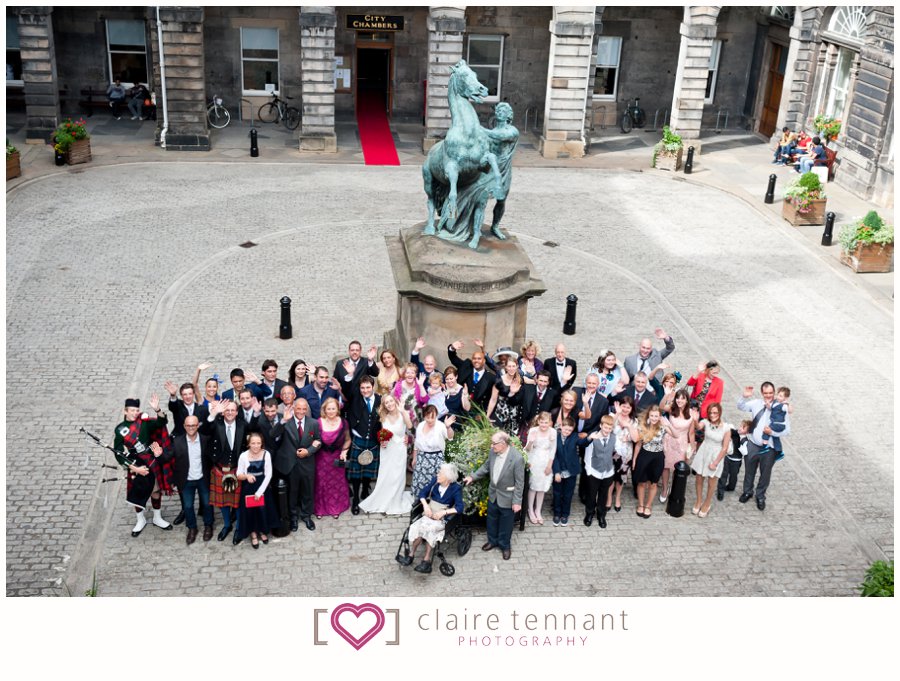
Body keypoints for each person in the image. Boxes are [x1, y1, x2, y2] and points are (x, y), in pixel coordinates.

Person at [113, 395, 174, 537]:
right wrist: (133, 468)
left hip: (150, 459)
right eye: (132, 410)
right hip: (135, 462)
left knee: (156, 490)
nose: (135, 413)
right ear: (125, 411)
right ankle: (140, 520)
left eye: (137, 410)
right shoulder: (120, 430)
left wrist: (157, 409)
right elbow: (118, 453)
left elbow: (162, 422)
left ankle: (157, 518)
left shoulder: (144, 421)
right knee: (137, 492)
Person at [464, 431, 525, 561]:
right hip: (494, 493)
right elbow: (486, 467)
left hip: (508, 497)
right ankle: (492, 541)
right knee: (491, 520)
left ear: (503, 444)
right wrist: (472, 477)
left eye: (494, 443)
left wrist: (517, 501)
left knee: (506, 524)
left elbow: (520, 483)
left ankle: (504, 545)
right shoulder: (493, 452)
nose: (492, 446)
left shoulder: (517, 458)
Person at [399, 463, 464, 574]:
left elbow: (459, 507)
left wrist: (444, 512)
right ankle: (411, 554)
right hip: (429, 512)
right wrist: (425, 505)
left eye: (440, 473)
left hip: (441, 516)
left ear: (448, 478)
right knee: (419, 527)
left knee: (431, 530)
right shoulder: (435, 481)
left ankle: (426, 559)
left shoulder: (455, 488)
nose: (437, 474)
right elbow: (422, 493)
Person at [737, 382, 789, 511]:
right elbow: (741, 406)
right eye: (766, 393)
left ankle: (760, 495)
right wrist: (744, 396)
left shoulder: (781, 408)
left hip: (769, 447)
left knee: (765, 473)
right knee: (749, 470)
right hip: (753, 444)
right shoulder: (756, 404)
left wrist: (771, 432)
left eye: (771, 393)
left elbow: (786, 430)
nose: (768, 396)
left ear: (774, 393)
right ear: (762, 393)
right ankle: (748, 491)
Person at [359, 393, 413, 515]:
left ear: (395, 401)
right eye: (386, 403)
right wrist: (381, 441)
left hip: (399, 449)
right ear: (384, 405)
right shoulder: (383, 417)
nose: (389, 404)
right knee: (386, 475)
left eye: (390, 401)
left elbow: (410, 426)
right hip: (387, 450)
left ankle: (395, 500)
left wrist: (403, 411)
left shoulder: (402, 414)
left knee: (398, 476)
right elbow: (379, 433)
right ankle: (384, 498)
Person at [201, 399, 247, 542]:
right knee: (223, 502)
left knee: (237, 502)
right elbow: (204, 430)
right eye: (227, 410)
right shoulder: (216, 424)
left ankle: (239, 528)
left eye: (233, 410)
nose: (230, 413)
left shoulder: (242, 425)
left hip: (236, 469)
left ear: (237, 412)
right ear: (223, 412)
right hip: (219, 469)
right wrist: (213, 413)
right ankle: (227, 525)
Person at [272, 397, 320, 531]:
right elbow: (272, 435)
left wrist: (309, 451)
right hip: (291, 464)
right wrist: (283, 421)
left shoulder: (313, 423)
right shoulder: (286, 421)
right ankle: (293, 517)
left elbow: (318, 440)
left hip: (307, 463)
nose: (301, 411)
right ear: (294, 408)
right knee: (292, 492)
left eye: (304, 409)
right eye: (298, 408)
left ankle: (306, 516)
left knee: (307, 491)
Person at [167, 415, 214, 544]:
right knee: (187, 506)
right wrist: (159, 455)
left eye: (193, 425)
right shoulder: (177, 442)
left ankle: (208, 526)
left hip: (202, 478)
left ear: (198, 425)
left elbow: (211, 459)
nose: (191, 428)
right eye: (188, 425)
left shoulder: (205, 440)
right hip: (186, 480)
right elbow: (168, 459)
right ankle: (192, 528)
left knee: (207, 504)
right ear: (184, 426)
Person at [235, 432, 280, 548]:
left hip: (263, 487)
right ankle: (253, 533)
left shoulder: (266, 454)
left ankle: (262, 530)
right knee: (250, 512)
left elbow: (269, 474)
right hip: (248, 488)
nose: (256, 446)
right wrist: (247, 476)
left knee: (262, 510)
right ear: (249, 444)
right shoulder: (243, 456)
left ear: (262, 444)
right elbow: (238, 474)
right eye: (253, 443)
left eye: (258, 443)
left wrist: (260, 492)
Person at [345, 375, 382, 513]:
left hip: (373, 440)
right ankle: (355, 500)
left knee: (368, 469)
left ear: (373, 387)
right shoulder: (355, 398)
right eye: (362, 388)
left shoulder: (380, 400)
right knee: (356, 473)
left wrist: (383, 438)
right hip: (358, 439)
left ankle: (365, 491)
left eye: (368, 387)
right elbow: (348, 388)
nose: (365, 390)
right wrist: (350, 375)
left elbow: (385, 421)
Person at [690, 402, 732, 517]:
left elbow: (725, 448)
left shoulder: (726, 428)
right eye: (710, 413)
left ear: (719, 413)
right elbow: (698, 427)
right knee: (699, 478)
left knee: (711, 482)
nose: (713, 415)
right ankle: (698, 501)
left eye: (715, 413)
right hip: (704, 451)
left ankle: (707, 503)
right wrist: (694, 419)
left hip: (716, 455)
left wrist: (715, 463)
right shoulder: (706, 422)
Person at [632, 404, 672, 519]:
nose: (654, 418)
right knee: (642, 482)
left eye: (656, 416)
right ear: (648, 415)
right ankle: (640, 504)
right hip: (644, 456)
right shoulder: (643, 426)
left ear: (660, 416)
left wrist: (668, 425)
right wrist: (634, 459)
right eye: (652, 416)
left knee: (653, 483)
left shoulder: (663, 427)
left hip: (658, 457)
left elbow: (675, 435)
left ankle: (648, 505)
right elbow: (638, 444)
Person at [315, 397, 351, 519]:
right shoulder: (318, 422)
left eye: (333, 409)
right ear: (324, 410)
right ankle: (320, 508)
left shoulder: (343, 423)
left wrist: (344, 452)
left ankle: (336, 507)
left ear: (337, 409)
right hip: (321, 458)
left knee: (336, 483)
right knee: (321, 483)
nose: (331, 411)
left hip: (337, 458)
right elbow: (312, 438)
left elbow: (347, 440)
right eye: (328, 409)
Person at [659, 388, 695, 502]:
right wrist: (666, 395)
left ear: (687, 400)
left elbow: (691, 433)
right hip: (669, 441)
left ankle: (675, 489)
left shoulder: (691, 414)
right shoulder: (672, 409)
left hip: (682, 443)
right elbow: (660, 407)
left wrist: (692, 448)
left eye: (682, 399)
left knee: (677, 468)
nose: (679, 400)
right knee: (665, 467)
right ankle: (665, 489)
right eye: (678, 398)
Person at [411, 405, 455, 497]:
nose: (430, 420)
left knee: (434, 483)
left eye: (433, 417)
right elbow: (416, 443)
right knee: (420, 482)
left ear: (436, 416)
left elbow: (450, 437)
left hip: (436, 459)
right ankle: (419, 502)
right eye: (428, 417)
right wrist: (415, 457)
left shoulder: (441, 426)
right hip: (422, 458)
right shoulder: (420, 425)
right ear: (424, 416)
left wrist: (448, 427)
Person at [583, 415, 617, 529]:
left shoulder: (613, 438)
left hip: (607, 472)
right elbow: (588, 456)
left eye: (610, 428)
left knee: (603, 495)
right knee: (591, 495)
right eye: (605, 427)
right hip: (594, 472)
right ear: (601, 426)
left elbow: (616, 451)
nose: (607, 430)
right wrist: (589, 472)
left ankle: (601, 515)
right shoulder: (594, 438)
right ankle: (589, 513)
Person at [608, 395, 640, 513]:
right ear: (619, 406)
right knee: (610, 477)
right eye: (623, 406)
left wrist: (628, 426)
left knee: (621, 477)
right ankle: (609, 497)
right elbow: (608, 428)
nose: (625, 409)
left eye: (628, 407)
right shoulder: (613, 416)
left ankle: (617, 498)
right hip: (612, 452)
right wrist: (617, 414)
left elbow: (636, 439)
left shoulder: (634, 421)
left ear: (632, 409)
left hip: (625, 454)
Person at [523, 411, 555, 524]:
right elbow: (527, 449)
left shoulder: (553, 432)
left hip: (546, 460)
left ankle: (538, 510)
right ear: (538, 421)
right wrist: (531, 441)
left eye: (546, 423)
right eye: (542, 422)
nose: (544, 425)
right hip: (535, 459)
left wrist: (549, 466)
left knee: (542, 487)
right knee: (533, 487)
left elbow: (553, 449)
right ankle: (530, 509)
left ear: (550, 423)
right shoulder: (533, 431)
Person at [447, 339, 495, 412]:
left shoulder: (491, 377)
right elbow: (454, 359)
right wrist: (452, 348)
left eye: (479, 359)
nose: (476, 361)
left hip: (478, 413)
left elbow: (491, 399)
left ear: (484, 361)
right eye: (474, 358)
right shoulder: (466, 366)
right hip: (459, 409)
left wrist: (485, 415)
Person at [551, 417, 579, 526]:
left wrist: (590, 438)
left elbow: (582, 442)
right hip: (559, 471)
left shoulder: (574, 437)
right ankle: (557, 513)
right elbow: (554, 456)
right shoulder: (555, 438)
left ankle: (565, 514)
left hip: (571, 471)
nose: (567, 432)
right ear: (561, 426)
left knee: (568, 494)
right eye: (565, 429)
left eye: (570, 430)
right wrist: (556, 472)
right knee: (557, 493)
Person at [486, 355, 523, 437]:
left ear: (517, 367)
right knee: (498, 437)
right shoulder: (499, 381)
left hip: (514, 415)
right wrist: (487, 416)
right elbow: (493, 399)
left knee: (512, 440)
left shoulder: (520, 380)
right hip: (500, 414)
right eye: (509, 366)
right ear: (505, 367)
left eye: (513, 366)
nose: (511, 368)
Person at [718, 419, 751, 501]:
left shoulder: (745, 440)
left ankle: (731, 487)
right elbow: (729, 430)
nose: (740, 428)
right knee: (723, 475)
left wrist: (742, 439)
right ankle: (720, 491)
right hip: (727, 457)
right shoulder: (735, 433)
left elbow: (745, 451)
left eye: (743, 428)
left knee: (734, 475)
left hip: (737, 461)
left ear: (748, 431)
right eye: (740, 426)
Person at [392, 362, 429, 427]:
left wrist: (421, 385)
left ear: (415, 375)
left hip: (417, 419)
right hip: (402, 419)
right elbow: (393, 401)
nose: (410, 375)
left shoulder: (418, 385)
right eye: (408, 373)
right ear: (404, 374)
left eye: (412, 373)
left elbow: (425, 400)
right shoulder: (398, 385)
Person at [763, 386, 791, 460]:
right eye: (778, 395)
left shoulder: (783, 406)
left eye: (781, 396)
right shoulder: (775, 402)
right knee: (775, 437)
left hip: (779, 424)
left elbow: (790, 410)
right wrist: (768, 404)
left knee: (766, 430)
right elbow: (770, 408)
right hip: (775, 423)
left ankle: (764, 446)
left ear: (785, 398)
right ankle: (779, 452)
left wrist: (788, 404)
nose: (778, 397)